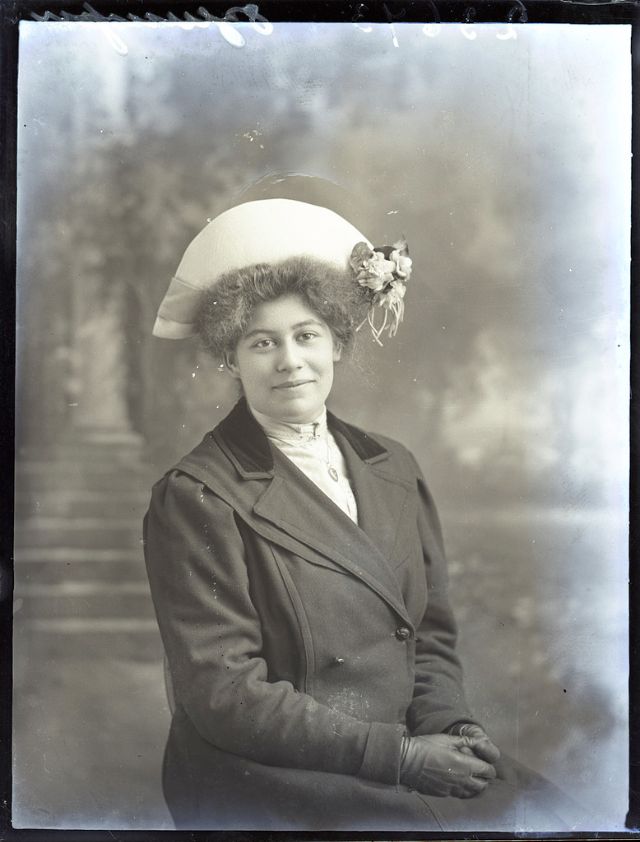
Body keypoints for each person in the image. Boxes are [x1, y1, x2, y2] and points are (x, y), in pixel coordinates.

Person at [143, 197, 586, 831]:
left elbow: (427, 635)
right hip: (275, 773)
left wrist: (450, 724)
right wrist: (401, 758)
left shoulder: (392, 466)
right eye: (262, 343)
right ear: (231, 359)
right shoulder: (198, 495)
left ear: (338, 344)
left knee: (557, 819)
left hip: (404, 751)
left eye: (306, 335)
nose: (289, 361)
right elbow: (225, 695)